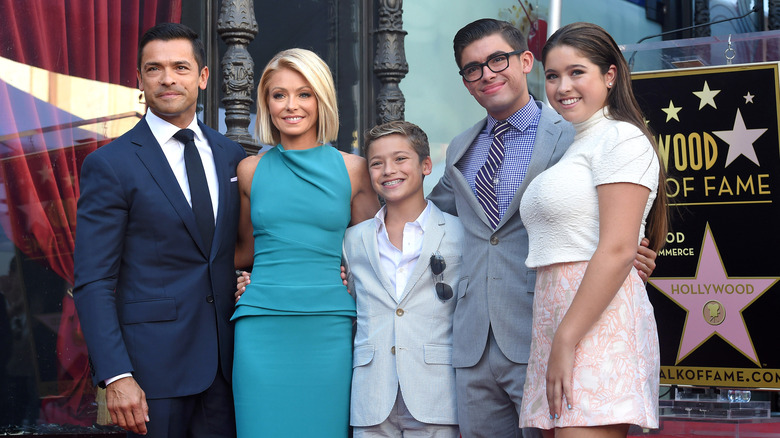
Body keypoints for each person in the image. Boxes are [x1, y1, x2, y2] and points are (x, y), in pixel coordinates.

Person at [426, 18, 658, 438]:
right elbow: (428, 220)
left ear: (523, 61)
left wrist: (630, 251)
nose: (487, 74)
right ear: (465, 81)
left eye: (498, 59)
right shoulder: (460, 148)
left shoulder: (577, 131)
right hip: (484, 337)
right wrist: (355, 249)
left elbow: (618, 231)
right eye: (472, 68)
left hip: (565, 323)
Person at [73, 22, 245, 437]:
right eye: (154, 68)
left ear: (203, 78)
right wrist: (117, 375)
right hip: (151, 378)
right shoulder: (111, 164)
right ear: (139, 79)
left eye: (181, 67)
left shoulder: (231, 155)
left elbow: (237, 250)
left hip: (231, 368)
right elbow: (94, 281)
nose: (168, 78)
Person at [518, 22, 667, 438]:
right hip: (558, 318)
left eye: (576, 71)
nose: (562, 86)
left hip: (593, 323)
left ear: (610, 75)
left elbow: (618, 249)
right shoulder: (575, 144)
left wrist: (565, 339)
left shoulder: (620, 138)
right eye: (552, 75)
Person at [231, 48, 379, 437]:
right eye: (279, 95)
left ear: (321, 99)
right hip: (260, 325)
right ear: (265, 102)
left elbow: (375, 251)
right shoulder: (250, 170)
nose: (290, 105)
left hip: (328, 326)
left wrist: (354, 274)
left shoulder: (355, 169)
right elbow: (243, 253)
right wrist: (236, 280)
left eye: (304, 93)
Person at [345, 121, 464, 438]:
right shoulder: (352, 241)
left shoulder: (459, 234)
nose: (388, 170)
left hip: (437, 396)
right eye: (377, 163)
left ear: (426, 165)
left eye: (400, 159)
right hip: (372, 398)